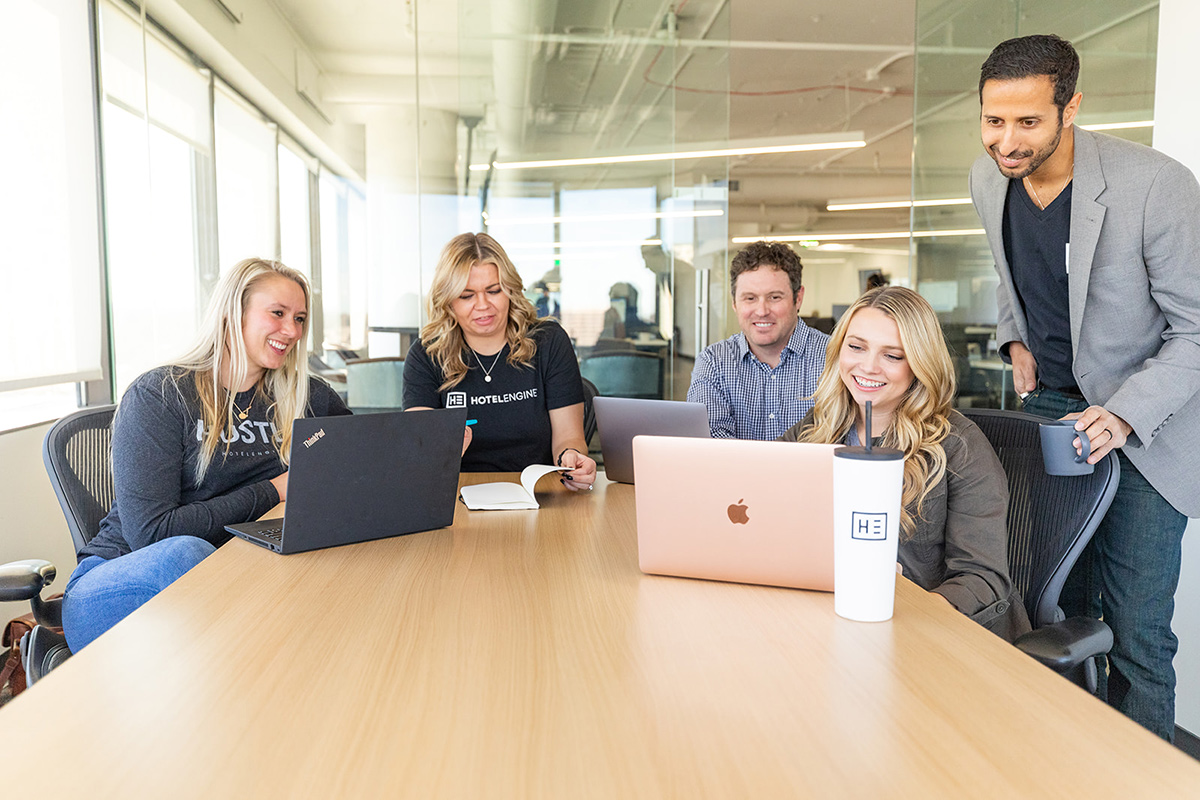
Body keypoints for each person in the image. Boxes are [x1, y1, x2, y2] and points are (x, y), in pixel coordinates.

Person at [971, 34, 1200, 740]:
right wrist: (1014, 336)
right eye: (993, 121)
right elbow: (1012, 275)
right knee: (1047, 613)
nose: (1006, 141)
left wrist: (1126, 416)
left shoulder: (1156, 186)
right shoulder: (988, 179)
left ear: (1072, 109)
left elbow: (1196, 330)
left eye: (1027, 122)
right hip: (1050, 414)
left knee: (1135, 632)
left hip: (1144, 424)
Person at [61, 258, 350, 652]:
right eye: (278, 314)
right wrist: (275, 491)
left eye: (299, 318)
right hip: (123, 580)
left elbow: (360, 463)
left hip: (234, 577)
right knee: (187, 553)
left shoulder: (307, 397)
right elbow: (153, 533)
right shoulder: (161, 395)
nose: (292, 331)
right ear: (233, 315)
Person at [780, 287, 1030, 641]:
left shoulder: (958, 444)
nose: (867, 366)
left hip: (933, 635)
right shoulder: (817, 430)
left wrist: (911, 610)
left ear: (919, 363)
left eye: (892, 355)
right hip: (837, 620)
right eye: (856, 347)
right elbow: (763, 509)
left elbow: (983, 578)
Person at [403, 232, 596, 489]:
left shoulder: (549, 342)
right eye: (466, 295)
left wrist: (571, 459)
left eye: (493, 291)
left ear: (510, 291)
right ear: (448, 302)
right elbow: (420, 455)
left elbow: (570, 438)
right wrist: (444, 450)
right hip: (456, 498)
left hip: (539, 494)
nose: (483, 305)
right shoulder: (426, 355)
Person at [687, 240, 829, 440]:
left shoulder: (835, 357)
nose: (762, 311)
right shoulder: (713, 362)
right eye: (750, 298)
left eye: (774, 297)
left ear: (798, 298)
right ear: (734, 302)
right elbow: (710, 444)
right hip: (733, 472)